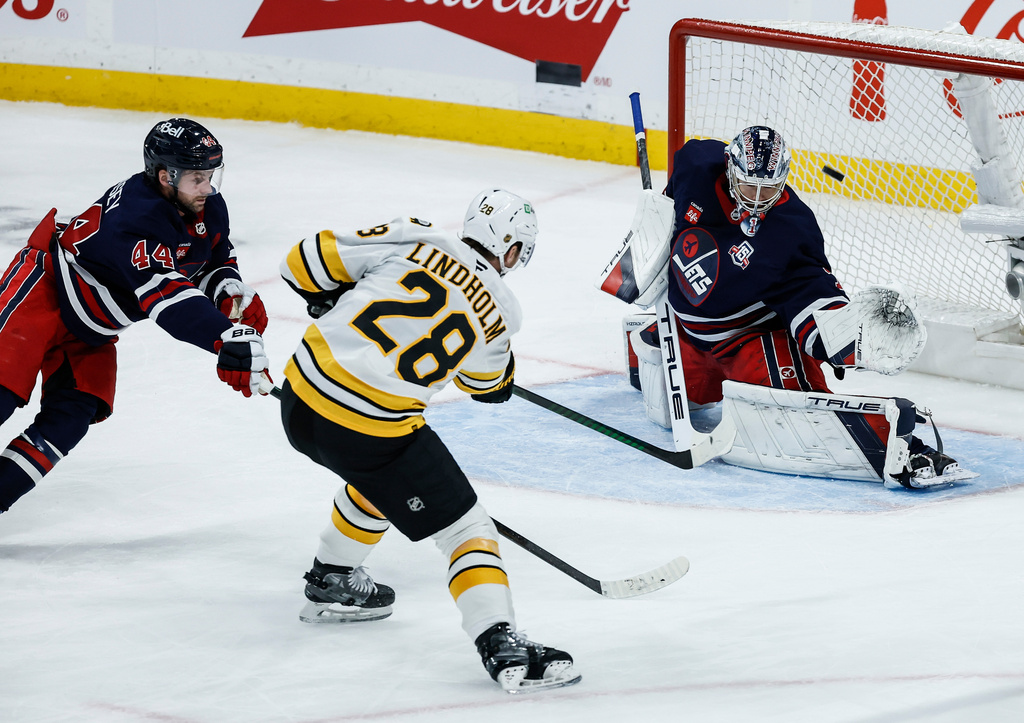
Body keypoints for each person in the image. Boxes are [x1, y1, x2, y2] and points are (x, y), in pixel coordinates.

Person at [277, 189, 580, 693]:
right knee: (465, 527)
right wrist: (500, 375)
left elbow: (301, 263)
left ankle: (333, 577)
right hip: (370, 428)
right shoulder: (503, 311)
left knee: (384, 479)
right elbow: (484, 387)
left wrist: (332, 298)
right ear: (508, 248)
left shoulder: (416, 234)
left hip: (300, 395)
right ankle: (498, 640)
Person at [623, 125, 970, 488]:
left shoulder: (792, 229)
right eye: (749, 186)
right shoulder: (697, 165)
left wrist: (849, 337)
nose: (757, 199)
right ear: (729, 169)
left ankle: (904, 448)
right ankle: (651, 337)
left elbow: (811, 290)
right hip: (686, 333)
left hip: (747, 341)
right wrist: (654, 223)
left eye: (769, 189)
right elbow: (671, 200)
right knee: (668, 409)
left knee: (790, 407)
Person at [0, 118, 271, 513]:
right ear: (166, 176)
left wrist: (227, 289)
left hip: (91, 326)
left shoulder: (205, 205)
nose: (208, 188)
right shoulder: (137, 216)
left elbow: (213, 258)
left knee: (74, 414)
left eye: (211, 175)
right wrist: (223, 336)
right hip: (44, 293)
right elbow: (166, 296)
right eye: (198, 178)